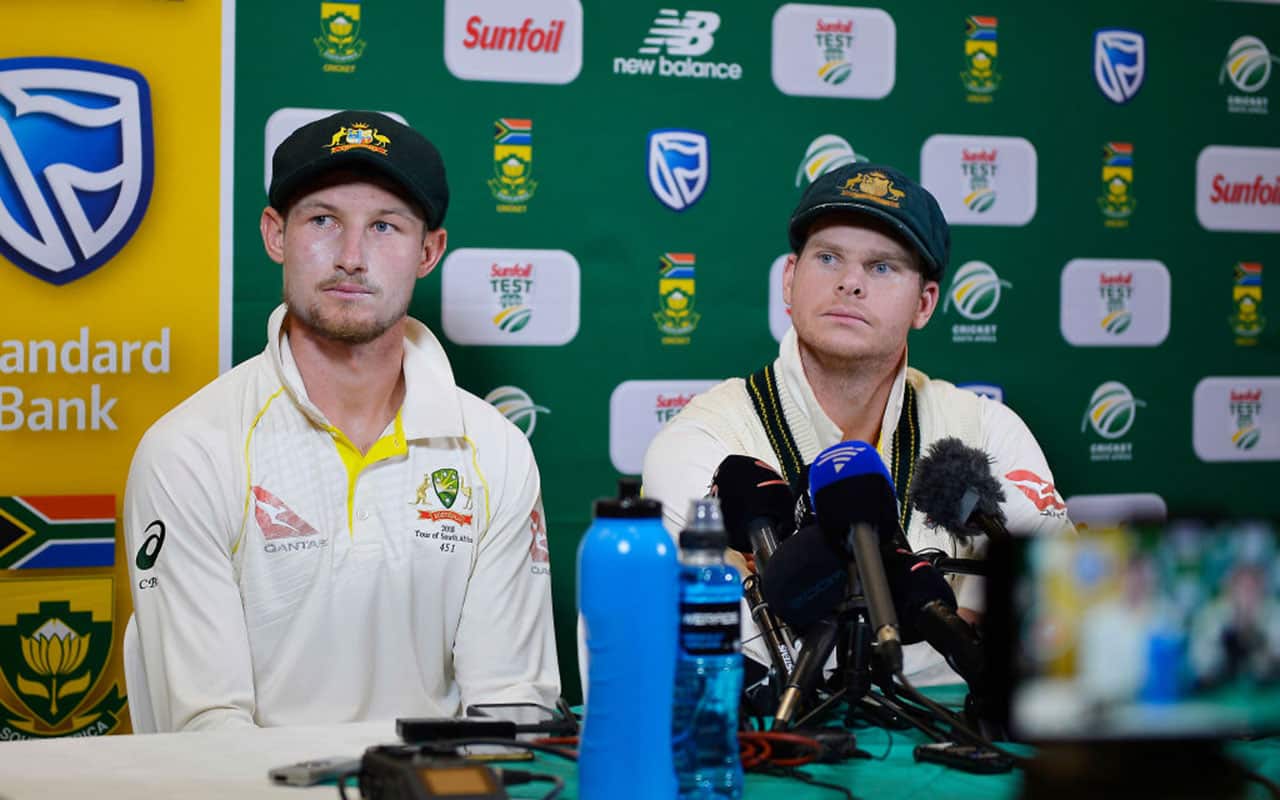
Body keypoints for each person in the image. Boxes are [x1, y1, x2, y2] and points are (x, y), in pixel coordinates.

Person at [123, 111, 559, 731]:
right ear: (276, 234)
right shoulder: (189, 450)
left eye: (384, 226)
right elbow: (207, 733)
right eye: (323, 220)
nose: (351, 257)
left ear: (429, 250)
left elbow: (508, 712)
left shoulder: (497, 450)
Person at [642, 163, 1073, 685]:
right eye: (828, 259)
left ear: (925, 303)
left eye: (882, 267)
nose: (850, 283)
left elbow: (1058, 625)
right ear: (788, 279)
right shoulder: (707, 441)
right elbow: (721, 663)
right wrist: (961, 630)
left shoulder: (984, 432)